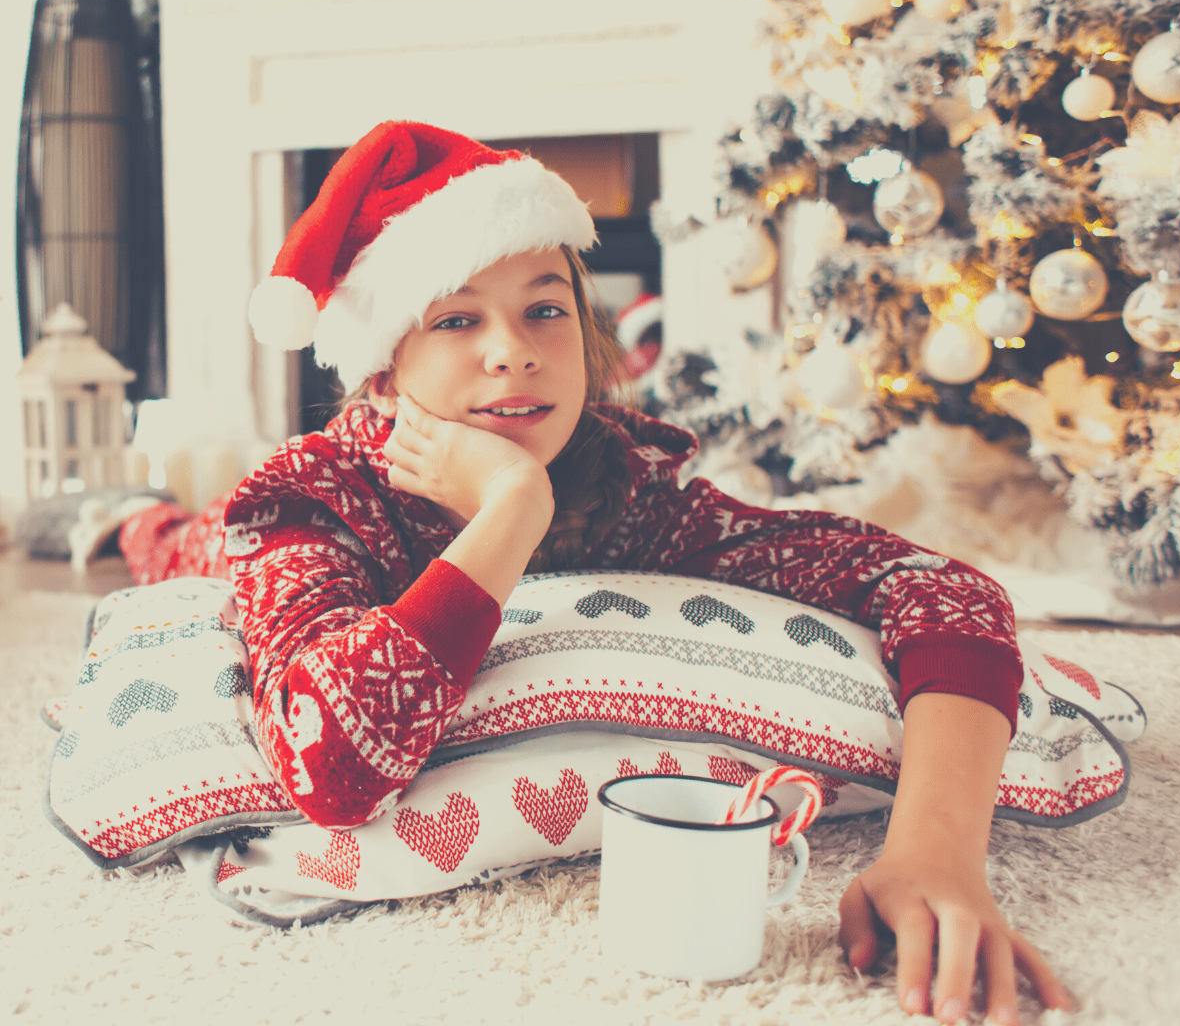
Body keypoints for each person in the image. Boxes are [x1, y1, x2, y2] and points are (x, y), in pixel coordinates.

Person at [120, 121, 1070, 1025]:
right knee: (173, 545)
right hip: (220, 542)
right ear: (384, 368)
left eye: (545, 308)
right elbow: (332, 773)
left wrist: (934, 853)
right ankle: (132, 520)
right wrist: (509, 511)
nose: (514, 350)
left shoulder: (626, 494)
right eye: (456, 318)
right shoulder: (311, 499)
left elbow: (940, 588)